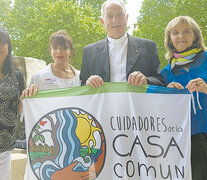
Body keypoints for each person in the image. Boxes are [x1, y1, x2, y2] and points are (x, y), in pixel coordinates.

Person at [161, 16, 207, 180]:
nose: (181, 36)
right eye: (175, 33)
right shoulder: (166, 72)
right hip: (185, 139)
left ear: (195, 36)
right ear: (170, 39)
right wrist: (167, 93)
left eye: (186, 31)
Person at [80, 0, 163, 88]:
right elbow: (83, 85)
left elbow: (160, 81)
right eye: (110, 16)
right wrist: (88, 83)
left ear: (126, 18)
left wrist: (146, 80)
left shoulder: (148, 47)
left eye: (119, 15)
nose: (115, 20)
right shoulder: (89, 52)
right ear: (102, 21)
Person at [22, 30, 81, 97]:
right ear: (50, 51)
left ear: (71, 52)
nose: (59, 51)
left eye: (64, 48)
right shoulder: (39, 77)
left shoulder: (80, 77)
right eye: (55, 48)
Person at [0, 28, 25, 179]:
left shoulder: (17, 75)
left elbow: (21, 108)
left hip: (5, 144)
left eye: (2, 43)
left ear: (8, 47)